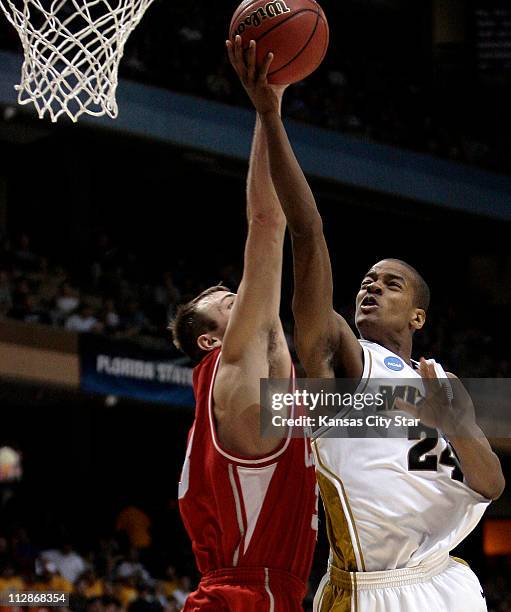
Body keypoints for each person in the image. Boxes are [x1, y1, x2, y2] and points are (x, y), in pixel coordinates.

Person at [229, 37, 506, 612]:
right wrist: (270, 116)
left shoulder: (440, 382)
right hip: (372, 591)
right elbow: (308, 235)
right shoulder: (347, 362)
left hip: (448, 581)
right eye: (367, 281)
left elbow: (492, 485)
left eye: (390, 282)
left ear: (418, 316)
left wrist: (459, 425)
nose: (370, 286)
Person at [168, 38, 317, 611]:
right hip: (246, 598)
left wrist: (453, 406)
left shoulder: (270, 392)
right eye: (226, 302)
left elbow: (347, 411)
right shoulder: (231, 374)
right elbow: (266, 220)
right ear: (211, 340)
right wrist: (269, 107)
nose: (241, 297)